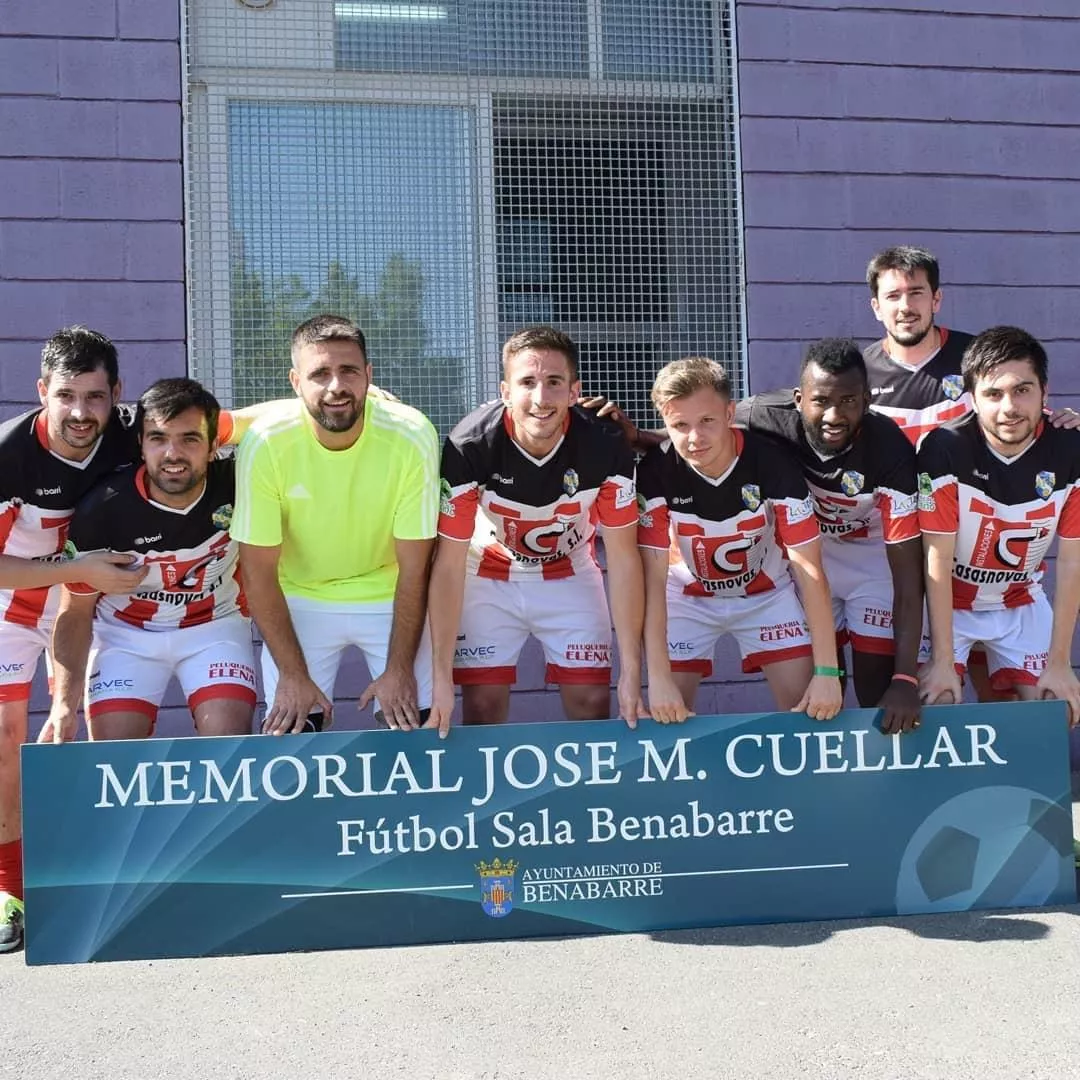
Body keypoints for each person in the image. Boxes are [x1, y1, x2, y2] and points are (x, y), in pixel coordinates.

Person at [0, 327, 155, 952]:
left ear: (117, 393)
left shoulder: (134, 426)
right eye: (66, 396)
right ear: (43, 391)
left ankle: (109, 880)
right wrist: (74, 570)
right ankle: (10, 890)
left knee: (95, 730)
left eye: (95, 396)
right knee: (7, 739)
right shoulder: (8, 452)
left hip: (97, 601)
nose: (81, 412)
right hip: (14, 601)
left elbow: (234, 424)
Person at [428, 326, 644, 734]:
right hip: (488, 572)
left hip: (570, 571)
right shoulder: (469, 444)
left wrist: (632, 672)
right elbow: (448, 562)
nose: (541, 398)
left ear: (574, 391)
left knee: (592, 705)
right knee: (483, 709)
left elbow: (623, 557)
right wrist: (439, 677)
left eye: (554, 382)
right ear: (505, 391)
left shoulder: (605, 442)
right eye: (527, 382)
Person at [232, 314, 439, 735]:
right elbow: (258, 572)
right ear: (295, 382)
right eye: (319, 374)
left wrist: (400, 669)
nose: (336, 386)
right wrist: (292, 675)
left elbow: (415, 568)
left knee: (414, 726)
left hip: (388, 591)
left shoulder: (412, 433)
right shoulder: (266, 441)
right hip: (301, 594)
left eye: (348, 371)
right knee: (290, 732)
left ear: (369, 376)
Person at [42, 378, 256, 743]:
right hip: (125, 634)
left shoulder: (241, 483)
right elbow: (75, 612)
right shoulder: (102, 509)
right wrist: (63, 704)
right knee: (115, 756)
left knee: (227, 743)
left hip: (215, 626)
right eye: (158, 438)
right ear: (141, 444)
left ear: (213, 446)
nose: (173, 454)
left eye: (189, 439)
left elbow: (295, 421)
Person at [636, 357, 843, 724]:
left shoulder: (772, 461)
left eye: (707, 421)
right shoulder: (655, 470)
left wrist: (827, 673)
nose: (695, 438)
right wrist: (658, 677)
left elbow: (809, 569)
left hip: (766, 595)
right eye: (680, 425)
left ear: (730, 413)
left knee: (808, 712)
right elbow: (651, 580)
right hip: (687, 598)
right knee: (665, 716)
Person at [734, 339, 923, 733]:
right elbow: (700, 432)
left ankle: (877, 766)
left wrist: (905, 679)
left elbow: (908, 579)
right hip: (808, 558)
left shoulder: (891, 449)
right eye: (820, 401)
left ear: (867, 401)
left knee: (876, 686)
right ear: (799, 399)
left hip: (872, 557)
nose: (834, 415)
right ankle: (829, 771)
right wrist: (636, 436)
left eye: (849, 401)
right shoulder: (761, 415)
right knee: (818, 688)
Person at [918, 326, 1080, 723]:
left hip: (1018, 598)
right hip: (950, 603)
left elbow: (1072, 561)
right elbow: (937, 558)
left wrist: (1061, 663)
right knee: (934, 703)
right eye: (993, 394)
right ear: (972, 398)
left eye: (1022, 390)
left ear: (1045, 392)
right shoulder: (944, 447)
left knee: (1057, 711)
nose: (1009, 407)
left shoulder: (1071, 447)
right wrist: (942, 661)